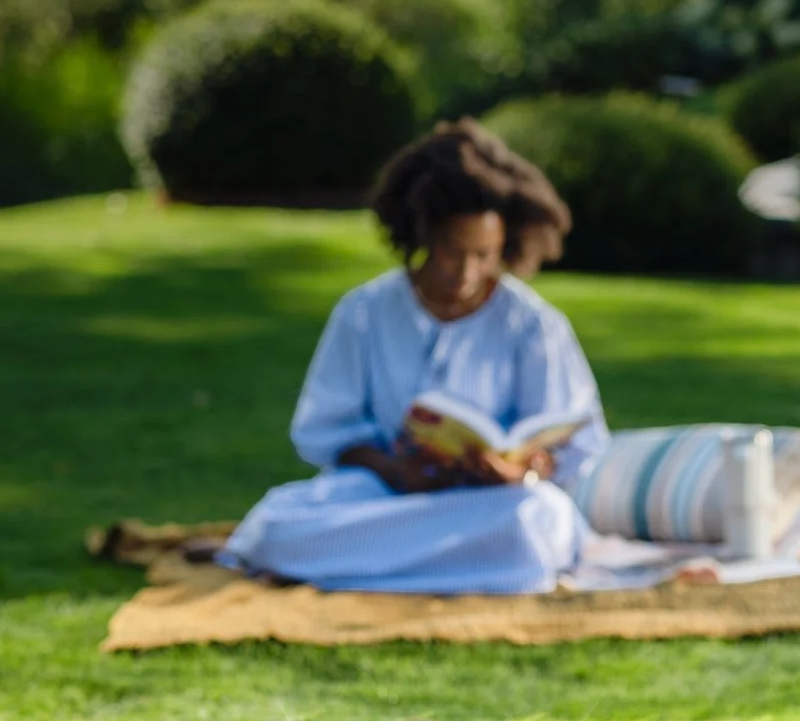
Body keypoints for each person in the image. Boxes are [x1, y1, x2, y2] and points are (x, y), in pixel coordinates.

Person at [222, 121, 604, 595]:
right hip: (386, 495)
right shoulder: (364, 312)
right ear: (421, 235)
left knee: (537, 524)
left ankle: (350, 569)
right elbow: (329, 430)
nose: (467, 272)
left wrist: (521, 470)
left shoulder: (533, 324)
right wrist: (396, 471)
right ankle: (456, 571)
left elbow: (570, 442)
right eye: (451, 252)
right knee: (275, 525)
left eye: (484, 255)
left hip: (494, 507)